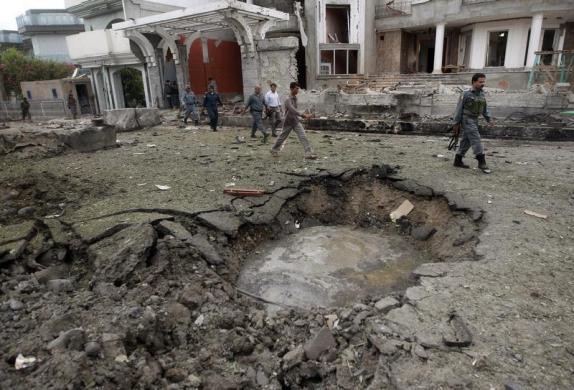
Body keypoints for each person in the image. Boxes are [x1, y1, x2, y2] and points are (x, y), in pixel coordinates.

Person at [452, 72, 495, 174]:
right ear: (474, 82)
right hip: (467, 119)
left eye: (484, 82)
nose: (483, 84)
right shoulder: (466, 94)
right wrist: (456, 123)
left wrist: (489, 119)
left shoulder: (482, 94)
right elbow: (459, 109)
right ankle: (481, 162)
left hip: (475, 119)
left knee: (466, 140)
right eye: (480, 82)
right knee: (476, 139)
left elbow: (484, 108)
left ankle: (458, 160)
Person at [270, 82, 317, 159]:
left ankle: (308, 153)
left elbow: (295, 110)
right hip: (288, 121)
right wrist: (303, 115)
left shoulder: (295, 98)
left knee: (303, 136)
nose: (297, 90)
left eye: (298, 88)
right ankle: (274, 149)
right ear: (291, 88)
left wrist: (303, 114)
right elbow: (292, 109)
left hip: (295, 121)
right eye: (296, 88)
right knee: (282, 137)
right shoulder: (287, 99)